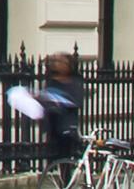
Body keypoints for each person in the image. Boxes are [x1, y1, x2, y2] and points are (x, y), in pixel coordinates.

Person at [40, 53, 88, 182]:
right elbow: (46, 100)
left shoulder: (75, 81)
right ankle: (64, 182)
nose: (57, 64)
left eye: (61, 62)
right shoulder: (51, 81)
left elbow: (76, 101)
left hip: (67, 128)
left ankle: (69, 182)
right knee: (57, 160)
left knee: (67, 160)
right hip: (54, 127)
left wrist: (59, 102)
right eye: (56, 62)